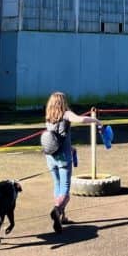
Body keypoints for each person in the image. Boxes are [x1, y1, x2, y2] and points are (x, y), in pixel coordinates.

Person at [43, 91, 103, 232]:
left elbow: (55, 139)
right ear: (63, 103)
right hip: (64, 158)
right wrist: (96, 121)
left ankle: (62, 216)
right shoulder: (66, 114)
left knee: (57, 185)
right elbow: (81, 119)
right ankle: (57, 210)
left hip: (50, 157)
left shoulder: (48, 118)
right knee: (65, 190)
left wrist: (72, 147)